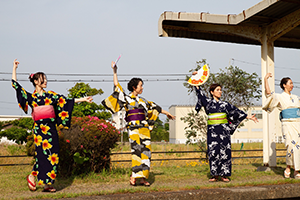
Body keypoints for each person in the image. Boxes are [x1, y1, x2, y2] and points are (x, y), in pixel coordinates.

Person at [12, 59, 93, 192]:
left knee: (53, 155)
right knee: (42, 155)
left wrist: (83, 99)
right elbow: (15, 85)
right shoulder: (31, 98)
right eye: (43, 79)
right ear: (36, 82)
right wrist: (14, 68)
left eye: (45, 79)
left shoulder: (51, 96)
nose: (45, 81)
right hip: (39, 131)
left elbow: (66, 101)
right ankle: (33, 176)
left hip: (51, 130)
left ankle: (47, 184)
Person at [102, 61, 175, 186]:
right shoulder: (126, 98)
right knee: (136, 152)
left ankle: (143, 178)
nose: (142, 88)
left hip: (144, 128)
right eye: (140, 85)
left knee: (146, 153)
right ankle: (134, 176)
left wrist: (167, 113)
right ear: (134, 87)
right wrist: (115, 71)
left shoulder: (144, 101)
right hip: (133, 129)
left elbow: (155, 107)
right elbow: (116, 86)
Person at [194, 72, 258, 182]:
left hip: (224, 131)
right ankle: (214, 175)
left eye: (220, 90)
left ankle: (224, 175)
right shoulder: (208, 103)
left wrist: (248, 117)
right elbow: (200, 94)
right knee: (213, 151)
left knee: (225, 151)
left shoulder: (225, 104)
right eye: (217, 90)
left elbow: (236, 112)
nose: (220, 92)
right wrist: (196, 80)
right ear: (212, 92)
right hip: (212, 130)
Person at [263, 73, 300, 179]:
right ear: (284, 85)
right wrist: (266, 80)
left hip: (297, 123)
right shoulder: (279, 96)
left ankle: (297, 170)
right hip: (287, 123)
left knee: (298, 147)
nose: (292, 85)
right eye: (290, 83)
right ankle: (288, 167)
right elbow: (269, 94)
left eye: (292, 83)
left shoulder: (296, 97)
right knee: (290, 145)